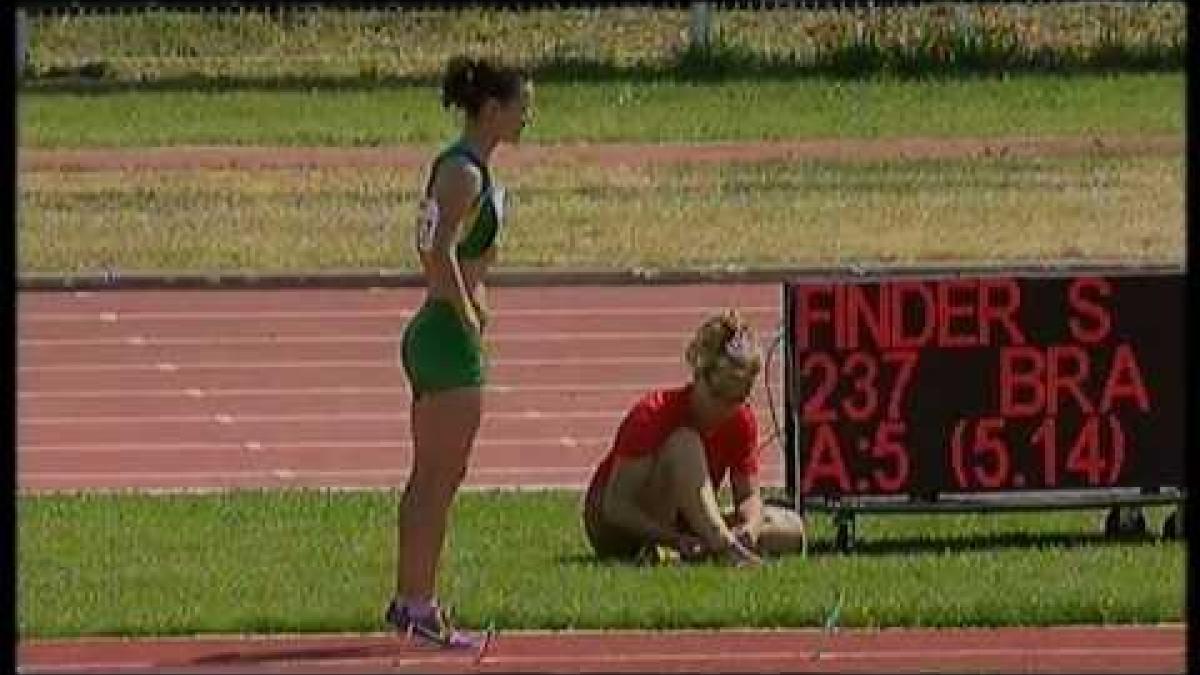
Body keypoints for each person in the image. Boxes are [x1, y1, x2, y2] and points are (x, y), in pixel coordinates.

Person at [386, 55, 533, 649]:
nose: (529, 115)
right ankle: (416, 604)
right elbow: (433, 249)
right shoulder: (463, 171)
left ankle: (414, 600)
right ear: (492, 109)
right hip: (446, 339)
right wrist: (468, 312)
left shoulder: (475, 171)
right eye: (522, 104)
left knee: (439, 476)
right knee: (436, 478)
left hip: (447, 334)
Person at [583, 310, 808, 566]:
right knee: (685, 443)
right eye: (718, 396)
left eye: (737, 400)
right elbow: (616, 507)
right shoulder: (653, 414)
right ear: (699, 375)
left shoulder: (741, 420)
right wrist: (673, 538)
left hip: (685, 526)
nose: (725, 410)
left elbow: (747, 495)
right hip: (623, 529)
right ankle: (718, 547)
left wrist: (749, 528)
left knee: (790, 528)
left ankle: (709, 546)